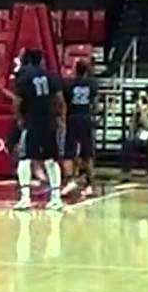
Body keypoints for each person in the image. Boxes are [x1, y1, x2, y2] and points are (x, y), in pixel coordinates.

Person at [12, 49, 66, 211]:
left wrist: (20, 118)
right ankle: (56, 198)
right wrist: (61, 118)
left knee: (25, 158)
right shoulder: (51, 76)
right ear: (42, 61)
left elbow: (17, 102)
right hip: (49, 121)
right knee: (51, 159)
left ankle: (25, 198)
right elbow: (59, 100)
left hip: (32, 121)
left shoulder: (24, 77)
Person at [61, 59, 99, 197]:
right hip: (86, 118)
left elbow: (63, 103)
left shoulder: (68, 84)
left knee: (69, 153)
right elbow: (95, 105)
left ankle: (70, 181)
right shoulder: (92, 84)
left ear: (75, 69)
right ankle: (90, 185)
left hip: (73, 118)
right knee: (87, 154)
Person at [122, 86, 148, 184]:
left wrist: (142, 111)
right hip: (139, 135)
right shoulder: (140, 111)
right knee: (128, 144)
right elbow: (132, 125)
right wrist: (136, 112)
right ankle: (126, 172)